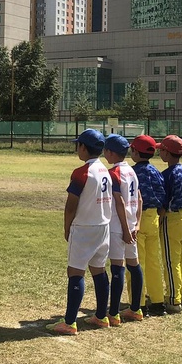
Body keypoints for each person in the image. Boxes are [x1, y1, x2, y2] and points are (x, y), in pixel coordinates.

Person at [47, 129, 111, 335]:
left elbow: (70, 205)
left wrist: (67, 227)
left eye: (78, 145)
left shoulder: (82, 172)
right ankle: (101, 316)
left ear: (83, 147)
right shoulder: (105, 171)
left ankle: (69, 322)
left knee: (75, 272)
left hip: (84, 228)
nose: (77, 149)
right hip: (103, 226)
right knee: (99, 270)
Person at [103, 135, 143, 325]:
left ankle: (113, 313)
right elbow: (140, 199)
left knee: (117, 267)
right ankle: (135, 309)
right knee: (134, 265)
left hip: (119, 227)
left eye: (106, 150)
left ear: (110, 152)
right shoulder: (131, 171)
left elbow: (118, 202)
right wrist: (137, 224)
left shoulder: (114, 172)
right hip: (131, 224)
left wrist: (126, 230)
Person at [157, 135, 182, 312]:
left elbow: (164, 201)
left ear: (167, 152)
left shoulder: (167, 174)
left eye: (161, 150)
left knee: (171, 261)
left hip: (173, 218)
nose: (159, 152)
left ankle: (174, 299)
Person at [129, 135, 167, 316]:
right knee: (153, 262)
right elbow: (162, 192)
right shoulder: (156, 171)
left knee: (136, 262)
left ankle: (138, 303)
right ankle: (158, 301)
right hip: (153, 216)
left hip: (138, 217)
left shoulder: (132, 172)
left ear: (135, 151)